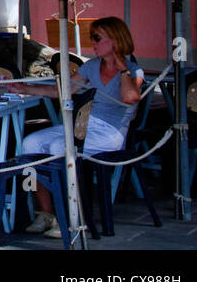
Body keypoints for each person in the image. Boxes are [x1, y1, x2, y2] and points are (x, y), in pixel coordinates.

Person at [11, 16, 143, 239]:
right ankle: (46, 213)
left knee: (57, 147)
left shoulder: (132, 71)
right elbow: (62, 90)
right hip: (84, 125)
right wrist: (22, 88)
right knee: (29, 143)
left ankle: (71, 216)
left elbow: (130, 97)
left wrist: (121, 68)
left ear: (115, 41)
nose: (93, 42)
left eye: (97, 38)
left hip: (110, 133)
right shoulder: (92, 66)